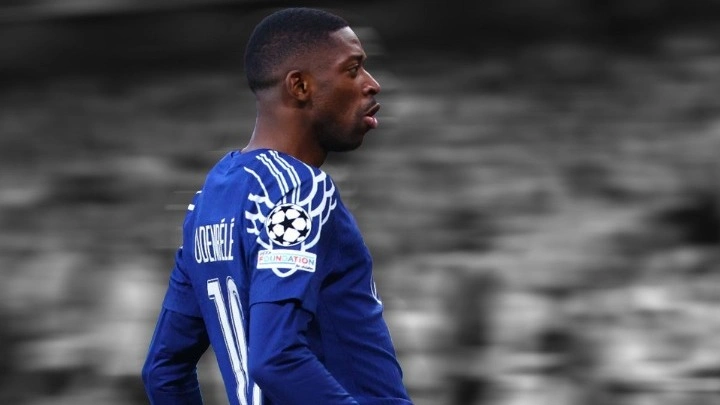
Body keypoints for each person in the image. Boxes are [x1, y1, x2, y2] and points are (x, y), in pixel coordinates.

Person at [141, 7, 413, 405]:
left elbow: (164, 371)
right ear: (300, 86)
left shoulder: (207, 202)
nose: (372, 84)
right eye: (353, 70)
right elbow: (275, 358)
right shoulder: (298, 190)